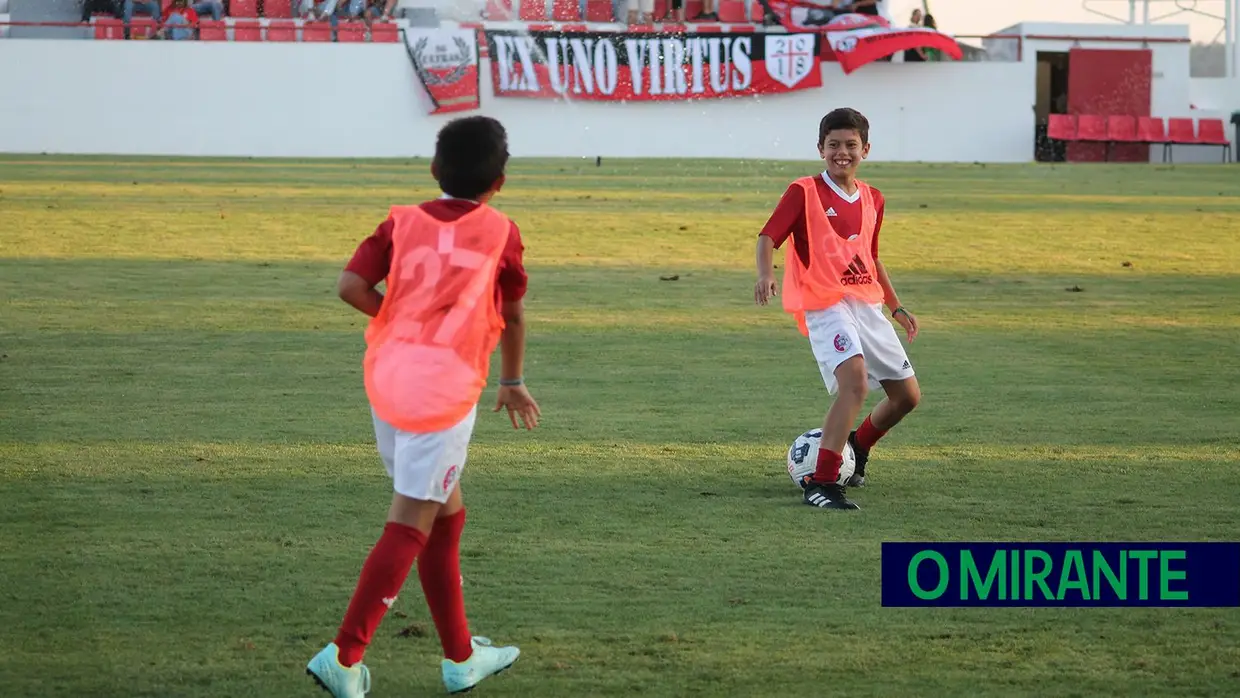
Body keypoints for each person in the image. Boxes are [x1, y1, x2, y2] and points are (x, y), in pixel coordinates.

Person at [306, 116, 541, 696]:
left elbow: (350, 287)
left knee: (443, 512)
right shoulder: (501, 230)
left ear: (434, 170)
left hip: (387, 380)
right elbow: (510, 313)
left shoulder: (401, 220)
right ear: (501, 182)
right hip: (443, 392)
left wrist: (401, 321)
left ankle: (461, 657)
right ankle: (345, 654)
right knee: (412, 518)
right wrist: (511, 379)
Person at [754, 108, 922, 510]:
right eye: (833, 145)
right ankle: (823, 481)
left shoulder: (874, 199)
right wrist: (765, 274)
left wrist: (896, 307)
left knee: (907, 397)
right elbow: (767, 237)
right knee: (855, 383)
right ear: (820, 149)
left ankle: (857, 448)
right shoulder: (803, 191)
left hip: (866, 303)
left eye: (850, 145)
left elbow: (872, 257)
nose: (842, 153)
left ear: (865, 149)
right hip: (823, 302)